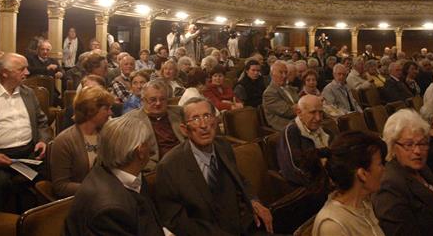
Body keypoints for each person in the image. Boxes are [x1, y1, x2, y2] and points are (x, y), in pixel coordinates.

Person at [155, 96, 274, 235]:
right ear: (184, 129)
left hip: (244, 226)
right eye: (195, 119)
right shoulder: (169, 166)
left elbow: (239, 179)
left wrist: (253, 201)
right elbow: (174, 220)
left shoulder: (223, 146)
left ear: (216, 121)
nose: (204, 125)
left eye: (207, 116)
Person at [64, 116, 168, 236]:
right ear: (140, 151)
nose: (152, 147)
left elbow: (150, 220)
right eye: (148, 142)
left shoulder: (127, 173)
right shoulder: (110, 210)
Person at [0, 53, 51, 211]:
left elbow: (42, 122)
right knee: (0, 183)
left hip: (29, 154)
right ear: (5, 72)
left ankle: (37, 219)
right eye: (22, 69)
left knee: (53, 169)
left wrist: (42, 140)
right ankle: (1, 224)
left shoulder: (28, 93)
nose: (27, 72)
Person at [373, 109, 433, 235]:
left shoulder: (421, 168)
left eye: (422, 143)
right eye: (409, 144)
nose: (418, 151)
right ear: (392, 146)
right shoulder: (389, 186)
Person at [312, 131, 387, 236]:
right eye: (380, 164)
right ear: (363, 174)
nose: (384, 169)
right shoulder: (333, 225)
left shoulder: (364, 202)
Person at [51, 86, 113, 198]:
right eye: (106, 109)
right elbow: (61, 187)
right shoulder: (64, 141)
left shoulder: (107, 133)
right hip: (81, 201)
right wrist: (97, 188)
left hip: (106, 196)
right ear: (91, 111)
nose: (110, 113)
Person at [124, 79, 185, 172]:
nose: (158, 103)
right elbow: (130, 154)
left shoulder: (179, 112)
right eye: (153, 100)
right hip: (157, 168)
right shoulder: (131, 120)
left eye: (162, 99)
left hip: (184, 160)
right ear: (143, 100)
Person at [277, 95, 333, 186]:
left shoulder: (325, 131)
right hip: (313, 187)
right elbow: (294, 168)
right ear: (299, 113)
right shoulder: (291, 132)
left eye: (321, 112)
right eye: (313, 112)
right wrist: (324, 182)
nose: (318, 118)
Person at [263, 61, 299, 130]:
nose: (284, 76)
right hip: (283, 126)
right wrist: (303, 107)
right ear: (272, 74)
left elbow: (297, 104)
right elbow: (287, 112)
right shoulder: (269, 93)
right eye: (281, 72)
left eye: (285, 72)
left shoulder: (290, 88)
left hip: (296, 120)